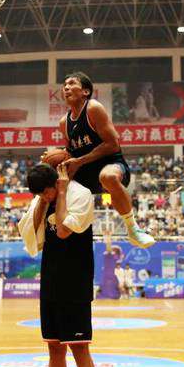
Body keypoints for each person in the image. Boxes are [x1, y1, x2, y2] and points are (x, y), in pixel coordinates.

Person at [18, 164, 97, 367]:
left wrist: (61, 194)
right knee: (54, 348)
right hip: (51, 280)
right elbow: (31, 232)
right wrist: (43, 202)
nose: (44, 197)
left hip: (76, 282)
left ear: (56, 183)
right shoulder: (42, 197)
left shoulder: (80, 194)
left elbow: (63, 230)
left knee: (80, 348)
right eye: (39, 194)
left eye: (46, 193)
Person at [55, 71, 154, 249]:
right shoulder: (64, 123)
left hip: (111, 165)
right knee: (53, 181)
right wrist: (60, 158)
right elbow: (71, 152)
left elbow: (113, 144)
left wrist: (79, 161)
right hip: (85, 173)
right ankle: (46, 233)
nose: (66, 88)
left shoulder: (93, 108)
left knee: (107, 177)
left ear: (85, 91)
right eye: (64, 85)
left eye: (71, 83)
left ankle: (133, 230)